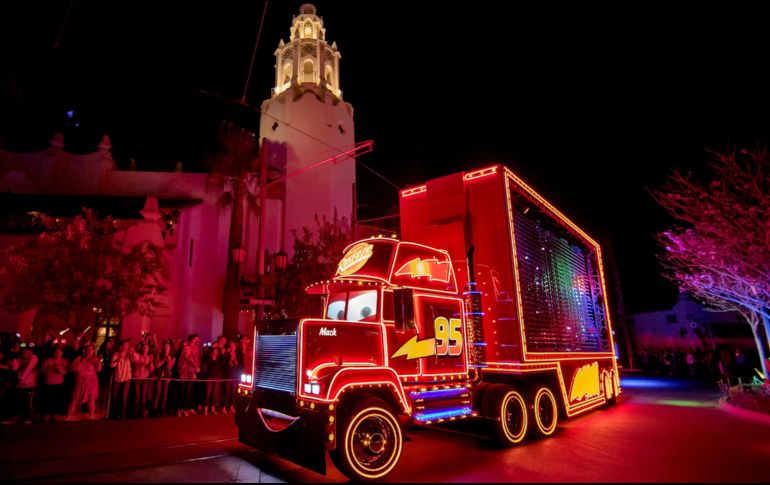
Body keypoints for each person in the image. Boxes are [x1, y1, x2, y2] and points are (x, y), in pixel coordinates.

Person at [66, 342, 102, 420]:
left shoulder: (95, 359)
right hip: (80, 381)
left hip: (91, 382)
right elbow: (71, 368)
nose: (89, 351)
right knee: (74, 399)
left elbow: (98, 369)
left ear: (93, 351)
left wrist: (99, 361)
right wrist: (80, 366)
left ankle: (91, 416)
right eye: (87, 349)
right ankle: (69, 416)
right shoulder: (79, 358)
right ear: (84, 350)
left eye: (91, 349)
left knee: (91, 399)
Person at [39, 346, 68, 422]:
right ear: (53, 353)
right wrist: (49, 369)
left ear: (62, 353)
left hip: (58, 383)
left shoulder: (64, 361)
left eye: (59, 351)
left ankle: (52, 415)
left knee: (55, 400)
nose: (57, 353)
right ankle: (44, 414)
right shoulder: (48, 360)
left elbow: (65, 372)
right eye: (56, 352)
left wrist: (60, 369)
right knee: (46, 399)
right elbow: (41, 370)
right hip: (48, 382)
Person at [12, 346, 38, 424]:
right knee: (21, 401)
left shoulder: (34, 358)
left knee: (28, 401)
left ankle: (29, 417)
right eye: (24, 352)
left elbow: (28, 369)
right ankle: (22, 417)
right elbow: (14, 368)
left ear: (31, 352)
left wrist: (21, 379)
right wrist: (15, 357)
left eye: (27, 352)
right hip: (21, 385)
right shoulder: (20, 359)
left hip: (30, 384)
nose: (25, 353)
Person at [110, 339, 135, 419]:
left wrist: (132, 353)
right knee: (115, 396)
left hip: (127, 377)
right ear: (121, 346)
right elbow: (111, 365)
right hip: (118, 377)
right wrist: (118, 359)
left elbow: (134, 360)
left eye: (127, 345)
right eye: (125, 345)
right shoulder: (116, 354)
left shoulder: (129, 354)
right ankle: (114, 413)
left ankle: (123, 414)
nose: (126, 347)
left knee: (124, 396)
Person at [152, 340, 175, 417]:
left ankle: (162, 410)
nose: (166, 347)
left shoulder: (172, 356)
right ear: (163, 347)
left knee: (165, 394)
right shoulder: (159, 354)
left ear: (170, 348)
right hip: (159, 376)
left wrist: (169, 361)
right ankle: (155, 410)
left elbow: (169, 367)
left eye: (168, 346)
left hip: (167, 376)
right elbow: (157, 365)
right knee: (158, 393)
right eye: (165, 346)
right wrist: (164, 359)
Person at [132, 342, 154, 417]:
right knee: (137, 395)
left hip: (145, 377)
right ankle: (135, 412)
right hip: (138, 377)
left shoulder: (150, 357)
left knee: (143, 396)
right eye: (144, 347)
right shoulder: (139, 356)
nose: (145, 349)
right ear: (142, 349)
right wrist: (141, 365)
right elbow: (135, 365)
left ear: (148, 349)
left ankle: (142, 412)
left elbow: (151, 370)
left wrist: (150, 366)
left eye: (147, 347)